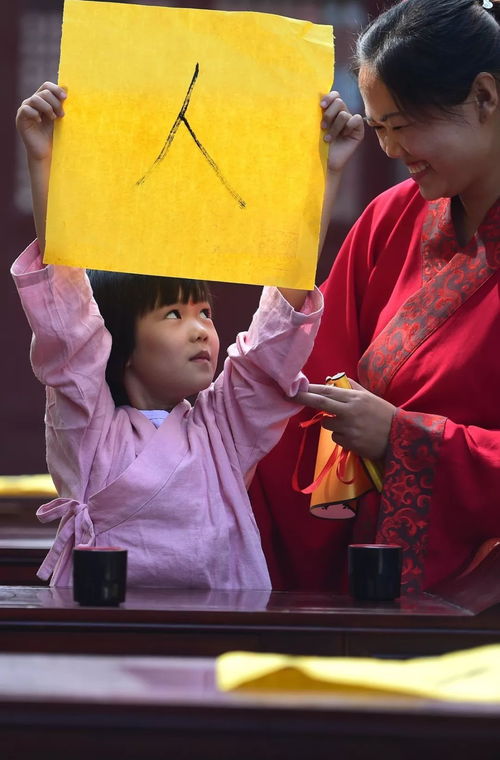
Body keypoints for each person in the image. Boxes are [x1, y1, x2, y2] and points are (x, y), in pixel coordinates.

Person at [13, 81, 363, 588]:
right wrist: (43, 162)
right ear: (119, 347)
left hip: (220, 637)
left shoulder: (222, 429)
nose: (202, 329)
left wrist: (324, 171)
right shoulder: (89, 428)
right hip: (105, 640)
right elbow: (68, 324)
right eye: (173, 315)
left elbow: (271, 343)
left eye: (204, 312)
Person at [250, 0, 500, 595]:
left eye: (404, 124)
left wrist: (402, 437)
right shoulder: (392, 219)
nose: (389, 149)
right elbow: (306, 380)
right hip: (371, 576)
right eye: (379, 127)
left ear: (485, 98)